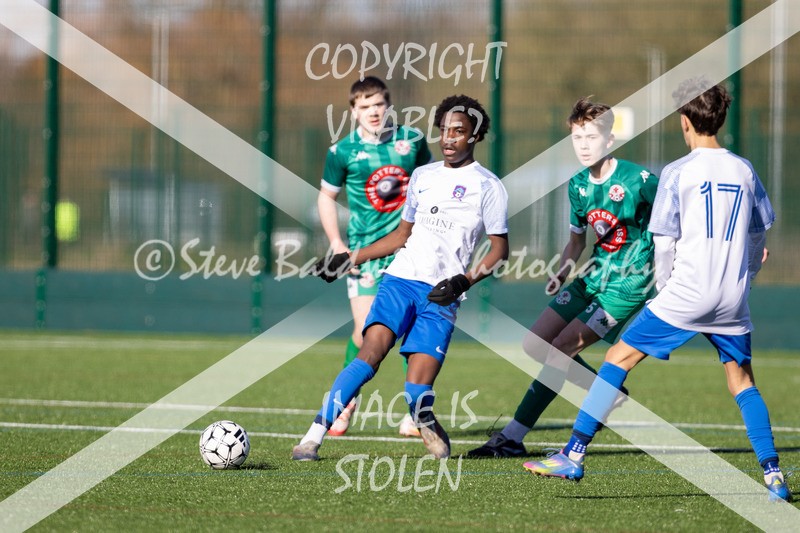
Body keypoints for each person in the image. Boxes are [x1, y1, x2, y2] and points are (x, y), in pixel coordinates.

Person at [524, 79, 791, 503]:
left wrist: (664, 291)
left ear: (685, 122)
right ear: (720, 119)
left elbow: (663, 242)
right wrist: (746, 277)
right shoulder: (743, 169)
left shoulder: (677, 172)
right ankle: (774, 475)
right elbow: (760, 234)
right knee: (742, 383)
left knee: (616, 359)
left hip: (685, 294)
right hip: (732, 299)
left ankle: (573, 454)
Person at [293, 94, 509, 461]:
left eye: (458, 131)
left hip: (442, 296)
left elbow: (499, 250)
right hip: (400, 280)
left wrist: (463, 282)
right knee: (369, 353)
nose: (449, 138)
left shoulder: (489, 187)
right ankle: (312, 437)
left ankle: (424, 419)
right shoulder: (423, 176)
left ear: (475, 136)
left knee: (416, 392)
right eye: (443, 130)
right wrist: (349, 258)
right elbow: (400, 237)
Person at [468, 97, 657, 458]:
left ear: (609, 139)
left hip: (627, 285)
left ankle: (512, 436)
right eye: (576, 138)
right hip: (592, 277)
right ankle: (608, 393)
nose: (583, 145)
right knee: (535, 344)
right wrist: (563, 269)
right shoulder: (578, 186)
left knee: (560, 351)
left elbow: (680, 214)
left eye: (590, 137)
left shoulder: (640, 181)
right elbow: (576, 242)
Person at [317, 76, 432, 437]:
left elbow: (432, 184)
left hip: (409, 252)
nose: (373, 112)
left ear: (389, 106)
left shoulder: (411, 141)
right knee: (366, 332)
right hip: (365, 255)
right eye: (365, 107)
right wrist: (338, 245)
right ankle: (345, 404)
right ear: (353, 111)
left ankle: (416, 412)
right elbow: (325, 198)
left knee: (413, 333)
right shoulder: (342, 152)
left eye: (379, 105)